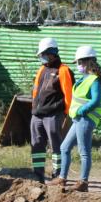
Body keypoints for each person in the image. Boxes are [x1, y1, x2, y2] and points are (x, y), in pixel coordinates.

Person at [52, 46, 101, 193]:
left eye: (80, 63)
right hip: (78, 119)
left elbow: (95, 101)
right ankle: (62, 178)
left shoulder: (94, 80)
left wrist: (81, 111)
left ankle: (83, 182)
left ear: (88, 62)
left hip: (85, 119)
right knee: (64, 148)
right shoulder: (84, 79)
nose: (78, 66)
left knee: (84, 151)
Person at [30, 38, 74, 183]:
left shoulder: (64, 70)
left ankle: (58, 175)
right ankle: (38, 175)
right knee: (37, 146)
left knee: (57, 146)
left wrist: (66, 115)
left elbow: (69, 95)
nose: (41, 57)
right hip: (37, 115)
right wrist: (34, 109)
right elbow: (35, 91)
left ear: (52, 53)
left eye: (43, 54)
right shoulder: (42, 69)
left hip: (54, 115)